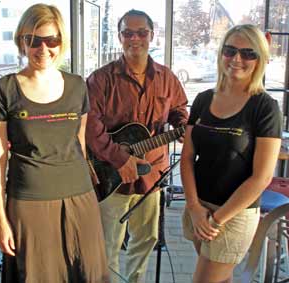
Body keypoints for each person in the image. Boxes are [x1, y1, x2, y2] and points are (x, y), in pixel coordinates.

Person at [0, 4, 109, 282]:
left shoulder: (77, 86)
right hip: (30, 201)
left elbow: (79, 144)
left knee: (88, 273)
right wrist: (1, 219)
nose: (43, 48)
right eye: (34, 40)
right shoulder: (5, 89)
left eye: (51, 40)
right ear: (22, 41)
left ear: (61, 41)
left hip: (80, 197)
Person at [86, 9, 188, 283]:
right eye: (128, 33)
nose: (135, 39)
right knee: (108, 241)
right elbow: (91, 129)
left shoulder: (167, 78)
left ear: (151, 35)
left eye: (141, 32)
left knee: (146, 238)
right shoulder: (100, 79)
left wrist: (182, 124)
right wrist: (121, 160)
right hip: (112, 175)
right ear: (119, 37)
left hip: (152, 174)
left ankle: (135, 280)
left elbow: (179, 108)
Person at [180, 24, 282, 283]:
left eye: (248, 53)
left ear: (259, 59)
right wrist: (193, 207)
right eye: (230, 50)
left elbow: (261, 178)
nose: (237, 59)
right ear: (221, 53)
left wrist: (216, 219)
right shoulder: (203, 99)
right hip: (199, 207)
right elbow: (188, 156)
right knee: (220, 279)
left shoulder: (265, 108)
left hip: (232, 215)